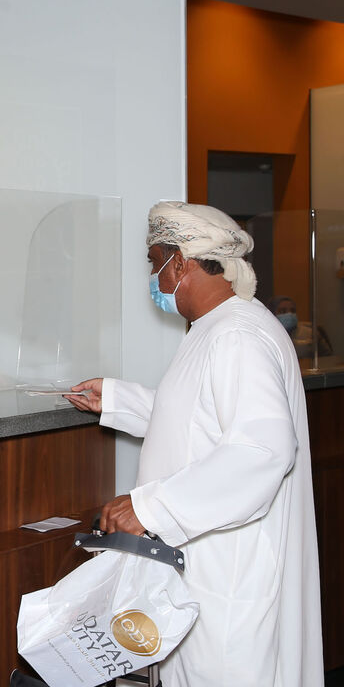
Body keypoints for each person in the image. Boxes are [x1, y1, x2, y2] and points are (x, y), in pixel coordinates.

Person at [65, 201, 322, 686]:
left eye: (153, 262)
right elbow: (198, 419)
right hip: (208, 569)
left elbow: (262, 450)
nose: (153, 278)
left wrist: (152, 508)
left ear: (179, 263)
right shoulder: (221, 327)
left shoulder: (237, 335)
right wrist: (116, 399)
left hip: (228, 575)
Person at [269, 295, 333, 359]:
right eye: (283, 311)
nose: (289, 314)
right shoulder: (266, 336)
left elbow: (328, 358)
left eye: (292, 311)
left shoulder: (311, 334)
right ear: (272, 314)